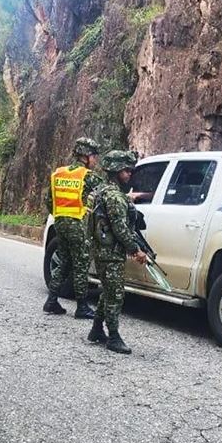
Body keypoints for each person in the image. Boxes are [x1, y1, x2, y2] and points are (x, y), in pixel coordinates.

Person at [86, 150, 147, 354]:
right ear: (115, 171)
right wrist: (136, 250)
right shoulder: (113, 196)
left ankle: (96, 329)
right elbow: (120, 228)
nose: (129, 173)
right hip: (110, 253)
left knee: (108, 291)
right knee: (116, 294)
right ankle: (113, 337)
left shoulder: (103, 191)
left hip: (103, 250)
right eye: (125, 170)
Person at [43, 137, 104, 319]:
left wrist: (61, 215)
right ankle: (82, 306)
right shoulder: (87, 176)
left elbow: (49, 201)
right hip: (78, 223)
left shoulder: (59, 173)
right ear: (86, 156)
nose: (96, 160)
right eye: (94, 156)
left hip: (60, 222)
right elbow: (107, 192)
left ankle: (52, 300)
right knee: (81, 264)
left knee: (65, 261)